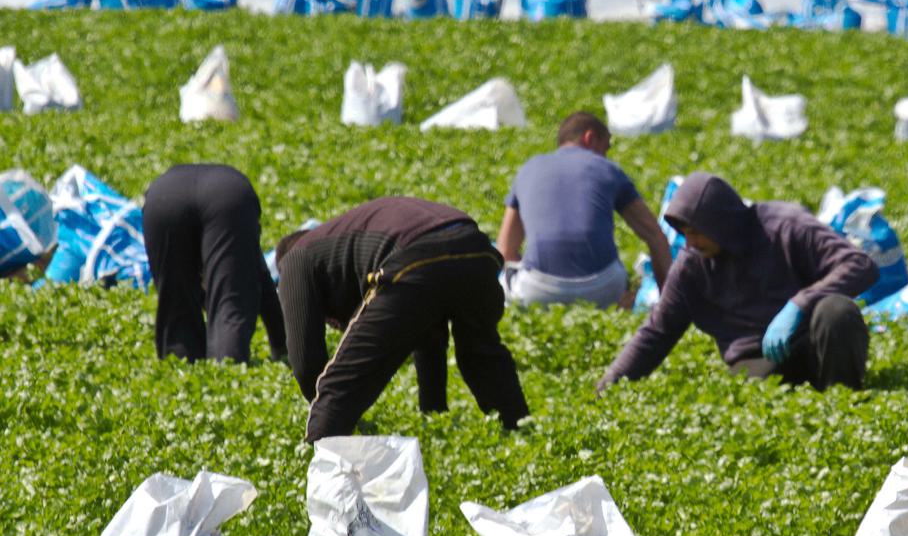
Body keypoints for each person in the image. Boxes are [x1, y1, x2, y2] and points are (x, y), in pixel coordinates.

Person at [276, 196, 530, 443]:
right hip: (476, 248)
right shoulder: (342, 247)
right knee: (483, 357)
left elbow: (306, 361)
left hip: (417, 251)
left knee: (340, 383)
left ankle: (323, 461)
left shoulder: (295, 256)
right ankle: (521, 434)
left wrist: (330, 416)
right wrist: (433, 415)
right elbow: (426, 330)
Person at [596, 172, 879, 393]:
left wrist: (800, 304)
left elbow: (860, 265)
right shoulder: (691, 265)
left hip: (815, 346)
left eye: (696, 232)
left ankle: (843, 399)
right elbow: (657, 331)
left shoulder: (786, 226)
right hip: (757, 362)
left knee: (836, 310)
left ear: (720, 222)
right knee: (766, 395)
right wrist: (608, 385)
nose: (690, 243)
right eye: (685, 234)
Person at [497, 111, 672, 308]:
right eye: (605, 149)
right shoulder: (607, 169)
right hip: (604, 290)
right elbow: (654, 235)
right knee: (624, 278)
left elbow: (506, 249)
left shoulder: (528, 169)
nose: (605, 156)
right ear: (589, 138)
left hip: (538, 292)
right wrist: (668, 304)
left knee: (506, 277)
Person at [142, 163, 286, 364]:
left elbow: (261, 277)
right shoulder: (223, 248)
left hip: (163, 195)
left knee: (175, 306)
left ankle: (184, 368)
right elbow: (261, 281)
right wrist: (283, 347)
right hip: (227, 193)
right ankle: (225, 370)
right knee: (230, 302)